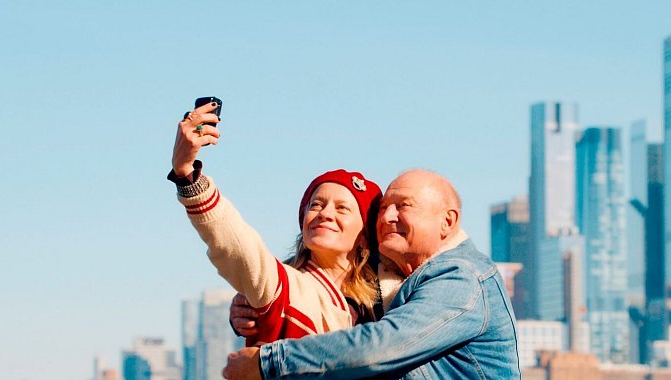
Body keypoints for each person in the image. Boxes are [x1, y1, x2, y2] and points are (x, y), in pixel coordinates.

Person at [223, 169, 521, 379]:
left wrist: (269, 363)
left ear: (447, 221)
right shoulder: (395, 282)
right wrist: (260, 302)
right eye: (383, 209)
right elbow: (330, 270)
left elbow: (382, 345)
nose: (388, 217)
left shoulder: (461, 277)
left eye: (403, 207)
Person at [168, 101, 387, 346]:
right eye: (315, 204)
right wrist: (186, 173)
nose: (325, 213)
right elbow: (238, 246)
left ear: (365, 235)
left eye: (342, 208)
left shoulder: (387, 301)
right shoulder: (282, 286)